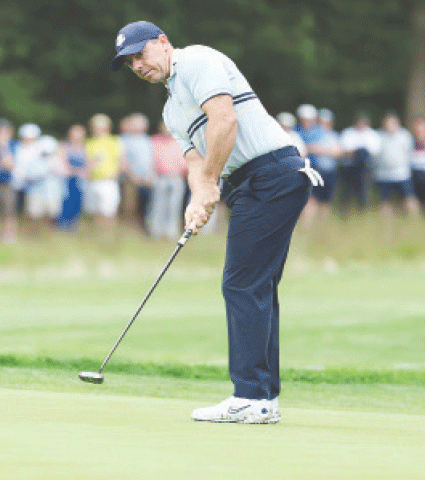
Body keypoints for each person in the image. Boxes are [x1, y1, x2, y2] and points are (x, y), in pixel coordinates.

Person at [111, 20, 322, 423]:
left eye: (141, 54)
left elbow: (225, 121)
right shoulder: (172, 109)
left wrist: (210, 182)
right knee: (255, 285)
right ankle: (262, 397)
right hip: (247, 183)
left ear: (163, 42)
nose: (138, 65)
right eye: (129, 62)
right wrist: (199, 196)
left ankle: (252, 396)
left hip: (273, 173)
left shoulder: (198, 61)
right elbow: (193, 160)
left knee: (241, 283)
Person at [85, 113, 125, 238]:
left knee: (109, 211)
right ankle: (97, 235)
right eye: (95, 127)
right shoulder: (89, 142)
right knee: (95, 210)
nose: (98, 130)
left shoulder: (114, 141)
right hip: (93, 180)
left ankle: (108, 235)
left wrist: (116, 174)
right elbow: (87, 162)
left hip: (108, 181)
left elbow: (121, 161)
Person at [373, 112, 419, 219]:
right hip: (383, 175)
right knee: (385, 202)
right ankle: (386, 224)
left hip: (402, 174)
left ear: (398, 123)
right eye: (387, 122)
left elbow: (410, 152)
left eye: (392, 122)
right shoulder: (378, 135)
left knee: (409, 199)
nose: (390, 125)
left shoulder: (405, 135)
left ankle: (415, 222)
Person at [147, 121, 188, 240]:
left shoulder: (181, 142)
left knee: (174, 205)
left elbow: (185, 161)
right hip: (160, 177)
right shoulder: (154, 141)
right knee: (158, 204)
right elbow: (150, 160)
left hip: (177, 177)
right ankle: (155, 231)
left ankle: (171, 232)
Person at [339, 112, 381, 215]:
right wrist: (356, 152)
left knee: (364, 192)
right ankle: (345, 213)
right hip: (350, 167)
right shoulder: (348, 132)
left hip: (365, 167)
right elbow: (344, 149)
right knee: (347, 192)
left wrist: (359, 152)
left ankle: (362, 213)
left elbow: (375, 151)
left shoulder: (372, 134)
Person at [120, 113, 155, 233]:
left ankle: (144, 229)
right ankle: (129, 230)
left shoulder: (147, 139)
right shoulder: (124, 139)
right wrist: (133, 176)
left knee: (146, 206)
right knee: (130, 206)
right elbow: (123, 160)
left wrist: (150, 175)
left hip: (147, 179)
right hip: (130, 178)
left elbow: (153, 159)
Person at [0, 118, 19, 242]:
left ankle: (9, 235)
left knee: (9, 210)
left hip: (8, 183)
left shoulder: (14, 145)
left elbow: (10, 164)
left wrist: (2, 147)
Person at [56, 124, 90, 232]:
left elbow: (88, 164)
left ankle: (73, 225)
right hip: (67, 179)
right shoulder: (64, 146)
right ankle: (62, 225)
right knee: (65, 201)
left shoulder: (85, 147)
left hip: (80, 180)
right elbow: (62, 162)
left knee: (78, 202)